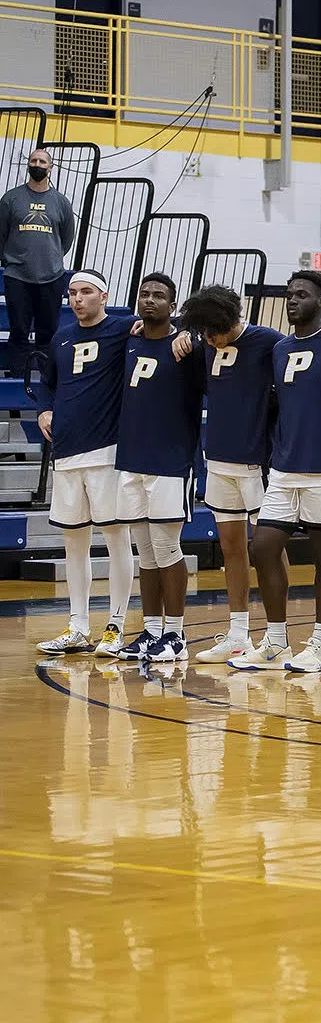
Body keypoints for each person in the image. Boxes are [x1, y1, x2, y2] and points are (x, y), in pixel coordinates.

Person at [31, 268, 136, 658]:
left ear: (104, 296)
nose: (77, 299)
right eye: (72, 293)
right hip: (66, 452)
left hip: (106, 452)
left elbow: (166, 326)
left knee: (114, 537)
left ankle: (116, 625)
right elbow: (48, 384)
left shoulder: (124, 329)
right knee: (73, 542)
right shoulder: (61, 337)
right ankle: (77, 625)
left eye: (86, 292)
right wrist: (43, 410)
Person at [178, 284, 283, 662]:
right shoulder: (204, 340)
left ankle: (277, 636)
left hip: (258, 462)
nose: (208, 338)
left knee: (268, 550)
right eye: (202, 332)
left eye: (212, 331)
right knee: (231, 548)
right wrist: (184, 338)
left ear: (232, 320)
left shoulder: (268, 341)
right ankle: (239, 634)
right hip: (218, 460)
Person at [255, 272, 321, 673]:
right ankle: (276, 642)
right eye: (289, 293)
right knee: (261, 546)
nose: (292, 300)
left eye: (302, 295)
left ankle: (319, 643)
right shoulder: (279, 348)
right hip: (284, 466)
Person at [111, 273, 206, 664]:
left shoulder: (187, 347)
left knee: (168, 548)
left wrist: (191, 330)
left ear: (173, 304)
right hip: (132, 459)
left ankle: (176, 634)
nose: (149, 300)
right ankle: (151, 631)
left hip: (170, 461)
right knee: (145, 552)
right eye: (144, 294)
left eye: (159, 296)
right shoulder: (129, 340)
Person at [1, 146, 78, 379]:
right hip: (17, 276)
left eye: (42, 162)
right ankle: (17, 379)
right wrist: (10, 259)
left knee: (47, 333)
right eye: (33, 161)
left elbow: (66, 238)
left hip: (51, 276)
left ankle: (46, 382)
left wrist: (51, 257)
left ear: (51, 169)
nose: (37, 165)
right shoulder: (10, 198)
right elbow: (1, 233)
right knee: (19, 332)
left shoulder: (60, 202)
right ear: (28, 166)